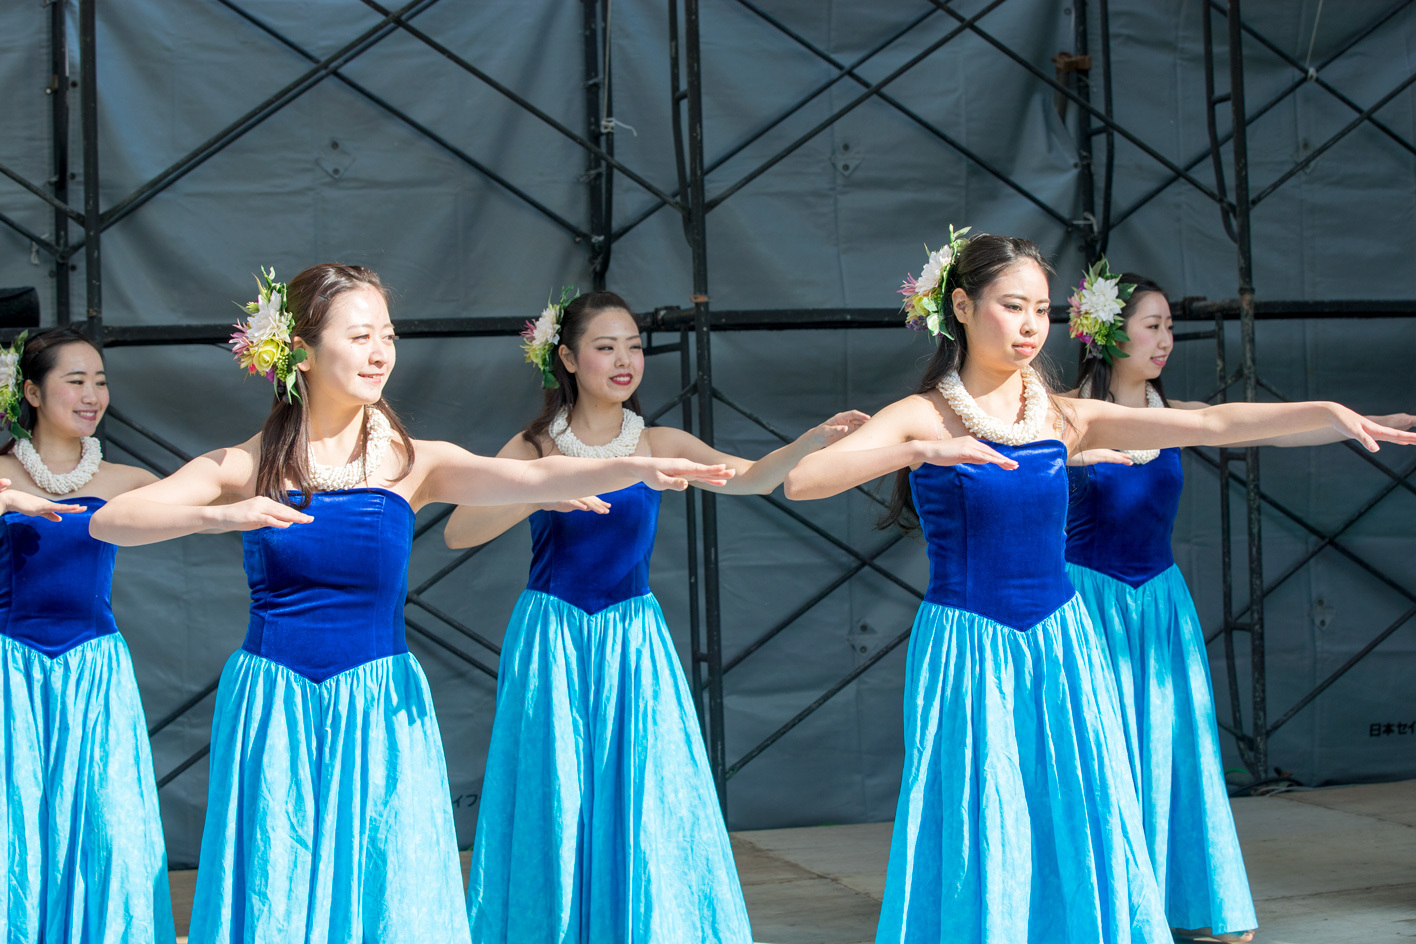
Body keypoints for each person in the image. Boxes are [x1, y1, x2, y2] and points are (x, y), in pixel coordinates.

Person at [782, 230, 1415, 944]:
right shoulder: (924, 413)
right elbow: (804, 481)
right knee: (983, 816)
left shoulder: (1059, 414)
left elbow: (1209, 423)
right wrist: (923, 448)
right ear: (961, 305)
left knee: (1079, 809)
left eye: (1042, 311)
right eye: (1012, 306)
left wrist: (1327, 415)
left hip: (1061, 644)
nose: (1029, 327)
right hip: (969, 648)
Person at [89, 266, 729, 944]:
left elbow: (532, 473)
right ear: (299, 350)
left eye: (387, 336)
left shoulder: (414, 462)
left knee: (388, 893)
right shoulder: (249, 464)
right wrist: (220, 517)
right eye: (360, 335)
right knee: (277, 885)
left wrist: (633, 466)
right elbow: (113, 521)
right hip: (273, 707)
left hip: (380, 707)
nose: (380, 353)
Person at [446, 288, 867, 944]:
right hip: (554, 638)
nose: (625, 360)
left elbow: (750, 477)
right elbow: (460, 532)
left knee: (645, 796)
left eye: (635, 346)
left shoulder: (658, 438)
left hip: (632, 641)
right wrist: (547, 488)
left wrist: (809, 441)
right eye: (606, 347)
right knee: (556, 796)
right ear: (566, 357)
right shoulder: (534, 446)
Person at [1062, 264, 1414, 943]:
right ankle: (1105, 907)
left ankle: (1183, 899)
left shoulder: (1180, 416)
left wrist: (1349, 421)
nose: (1166, 340)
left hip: (1159, 605)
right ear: (1107, 334)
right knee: (1098, 756)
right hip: (1086, 608)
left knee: (1170, 748)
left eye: (1170, 328)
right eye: (1152, 326)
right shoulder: (1066, 412)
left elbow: (1256, 426)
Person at [0, 326, 174, 944]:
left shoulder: (126, 480)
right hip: (10, 674)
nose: (91, 394)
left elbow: (207, 498)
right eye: (75, 381)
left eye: (99, 381)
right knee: (14, 823)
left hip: (95, 671)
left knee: (104, 826)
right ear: (31, 391)